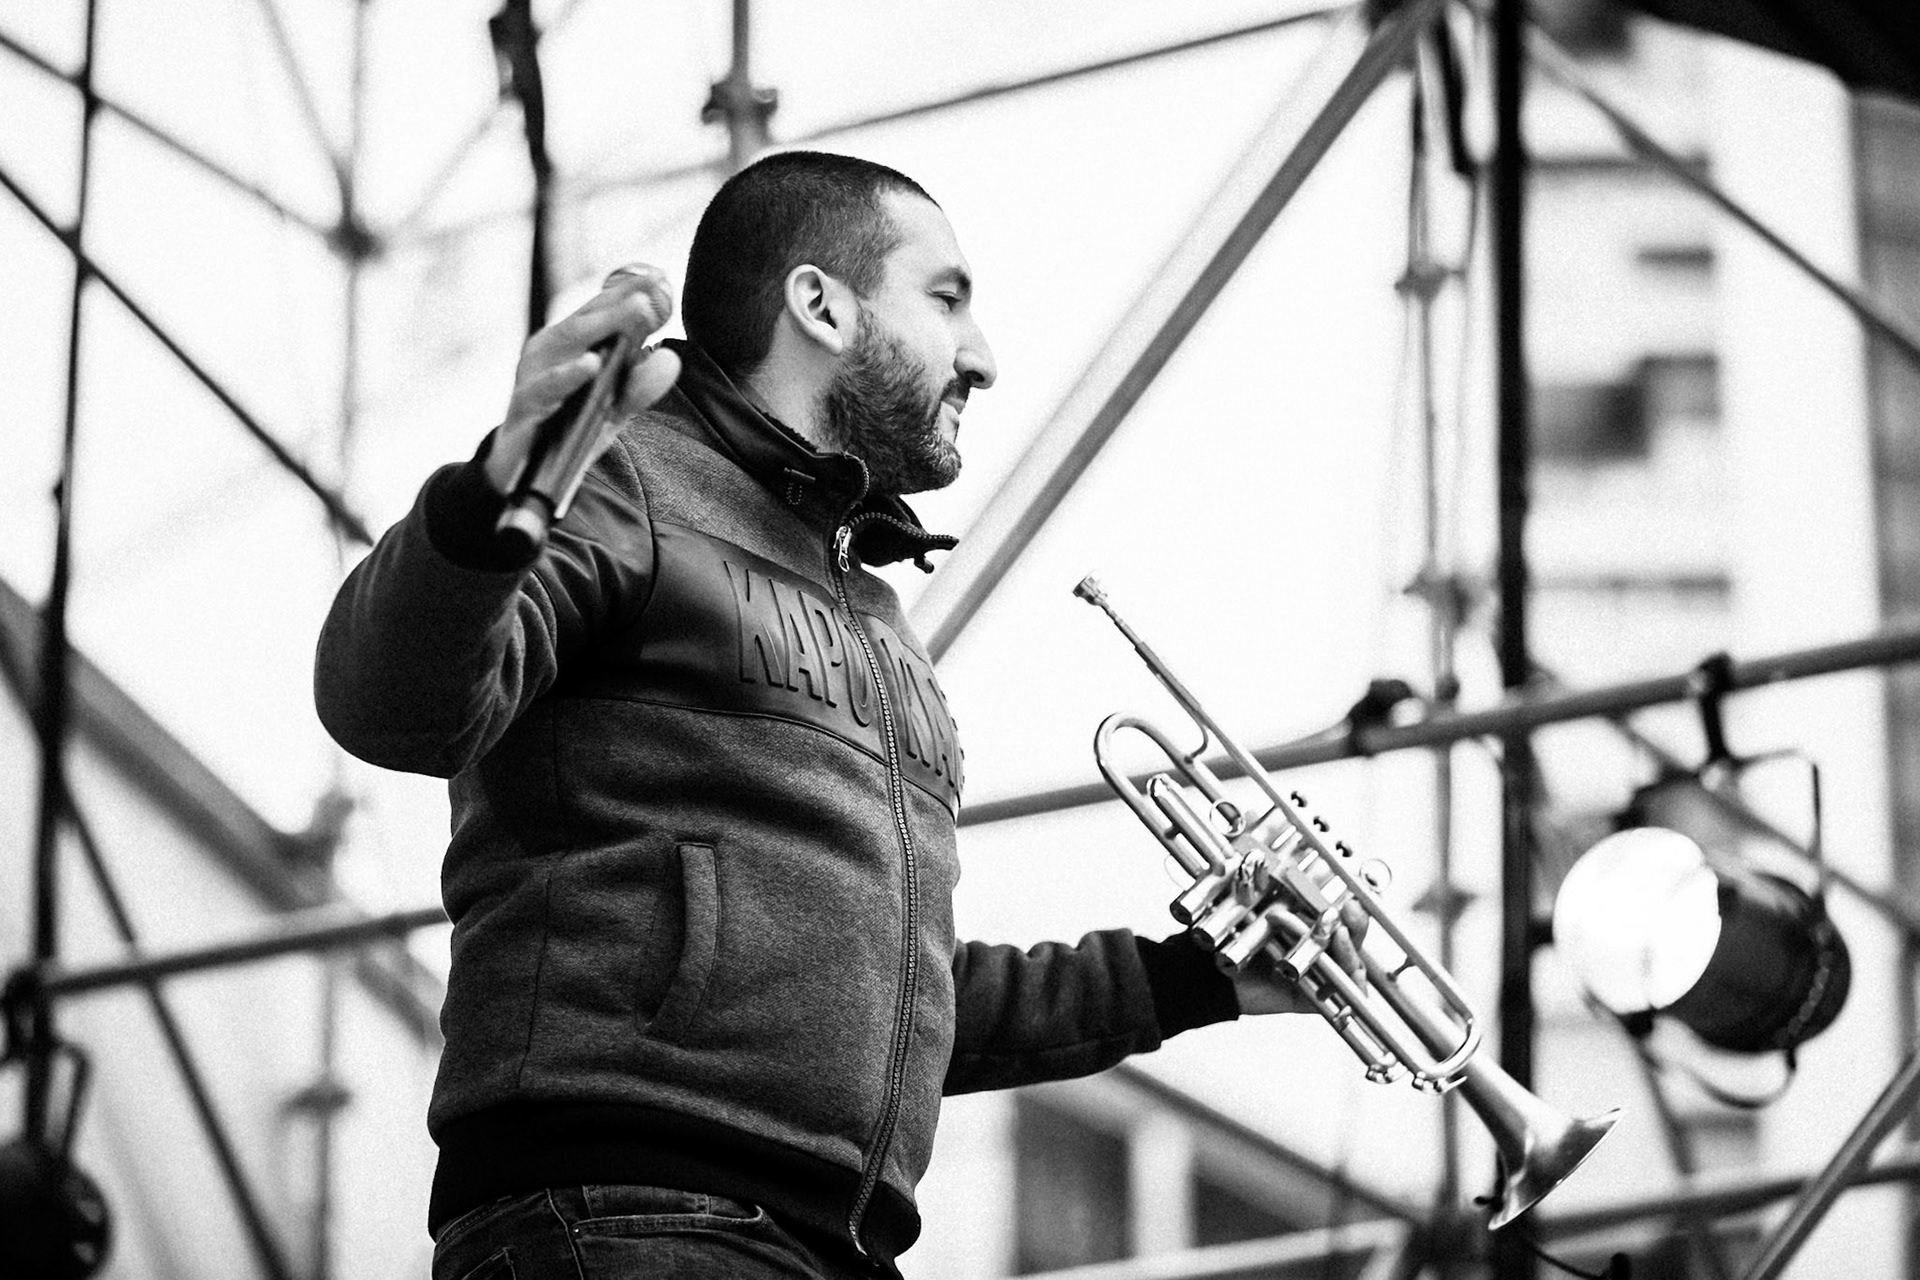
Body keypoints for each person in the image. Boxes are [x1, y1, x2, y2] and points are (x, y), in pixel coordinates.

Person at [315, 150, 1330, 1280]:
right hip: (634, 1213)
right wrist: (494, 496)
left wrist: (1204, 977)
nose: (982, 356)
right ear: (820, 303)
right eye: (946, 298)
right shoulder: (631, 478)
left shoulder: (880, 616)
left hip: (820, 1242)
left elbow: (902, 996)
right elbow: (392, 708)